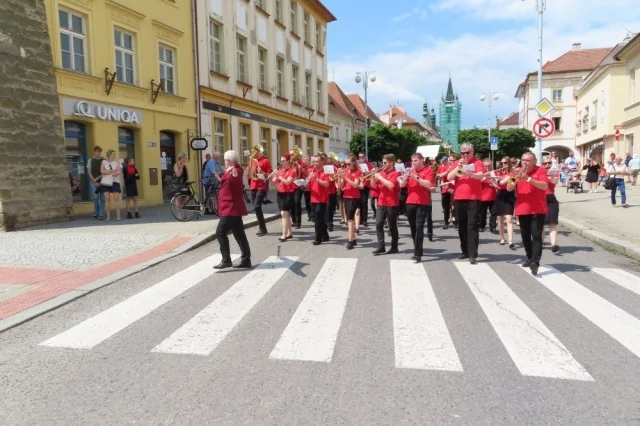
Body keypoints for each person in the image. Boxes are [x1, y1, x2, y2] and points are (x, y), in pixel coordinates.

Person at [507, 151, 549, 276]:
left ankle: (535, 262)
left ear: (534, 161)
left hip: (538, 209)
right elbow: (509, 188)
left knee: (536, 236)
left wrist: (529, 179)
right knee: (525, 236)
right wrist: (515, 179)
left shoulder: (540, 170)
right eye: (523, 160)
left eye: (528, 160)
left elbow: (544, 186)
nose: (525, 163)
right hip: (522, 208)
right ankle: (530, 258)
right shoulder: (516, 171)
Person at [446, 143, 486, 264]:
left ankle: (473, 253)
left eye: (467, 152)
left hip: (473, 198)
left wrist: (470, 174)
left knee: (472, 225)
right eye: (462, 153)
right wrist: (458, 167)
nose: (465, 155)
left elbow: (481, 175)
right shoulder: (457, 162)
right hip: (459, 198)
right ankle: (464, 251)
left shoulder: (478, 162)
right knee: (462, 226)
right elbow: (449, 177)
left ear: (472, 151)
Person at [214, 150, 251, 269]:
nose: (224, 162)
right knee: (239, 233)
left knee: (220, 232)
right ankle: (246, 259)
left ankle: (226, 260)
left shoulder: (236, 171)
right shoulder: (232, 170)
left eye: (225, 161)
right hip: (232, 208)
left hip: (230, 208)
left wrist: (233, 176)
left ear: (228, 161)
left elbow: (235, 180)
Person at [399, 153, 434, 263]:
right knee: (413, 227)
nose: (413, 163)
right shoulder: (410, 171)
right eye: (412, 161)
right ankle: (418, 248)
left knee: (419, 227)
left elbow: (428, 184)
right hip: (410, 202)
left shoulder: (428, 171)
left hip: (422, 203)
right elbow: (401, 185)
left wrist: (416, 177)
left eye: (415, 160)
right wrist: (405, 177)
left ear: (422, 160)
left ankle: (417, 253)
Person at [371, 153, 401, 255]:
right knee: (378, 224)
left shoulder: (396, 174)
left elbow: (391, 185)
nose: (382, 164)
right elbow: (374, 186)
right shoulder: (382, 173)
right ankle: (381, 246)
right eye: (382, 162)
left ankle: (394, 246)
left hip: (392, 203)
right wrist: (372, 176)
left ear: (391, 162)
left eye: (385, 162)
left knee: (392, 226)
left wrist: (379, 177)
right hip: (381, 202)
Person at [272, 153, 296, 242]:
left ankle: (284, 234)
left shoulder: (292, 171)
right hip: (280, 194)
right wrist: (274, 176)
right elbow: (273, 183)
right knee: (285, 214)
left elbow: (288, 182)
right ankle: (289, 233)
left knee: (283, 214)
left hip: (288, 194)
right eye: (281, 161)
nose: (281, 163)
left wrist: (279, 176)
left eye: (283, 161)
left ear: (288, 161)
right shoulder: (280, 171)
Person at [339, 154, 362, 250]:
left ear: (354, 163)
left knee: (350, 219)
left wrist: (345, 177)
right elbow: (341, 187)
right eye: (346, 164)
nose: (347, 166)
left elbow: (356, 185)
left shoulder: (358, 172)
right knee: (349, 219)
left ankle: (350, 241)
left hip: (354, 197)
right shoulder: (346, 172)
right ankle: (353, 238)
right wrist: (339, 178)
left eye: (349, 164)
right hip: (346, 196)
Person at [248, 148, 272, 236]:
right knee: (256, 208)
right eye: (253, 151)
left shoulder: (265, 161)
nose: (253, 153)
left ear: (259, 152)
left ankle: (262, 228)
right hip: (253, 185)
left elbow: (269, 175)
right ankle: (262, 228)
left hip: (261, 186)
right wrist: (249, 170)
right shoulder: (252, 161)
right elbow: (250, 175)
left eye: (255, 152)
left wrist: (262, 172)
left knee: (257, 206)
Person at [308, 155, 331, 245]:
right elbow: (310, 184)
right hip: (313, 198)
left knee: (318, 219)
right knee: (319, 219)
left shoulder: (326, 172)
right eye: (314, 161)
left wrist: (316, 179)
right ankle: (325, 235)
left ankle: (318, 238)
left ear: (322, 162)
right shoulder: (312, 171)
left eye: (317, 161)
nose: (315, 163)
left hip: (322, 199)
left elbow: (327, 184)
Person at [542, 156, 560, 253]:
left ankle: (554, 244)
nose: (547, 165)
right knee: (540, 223)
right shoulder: (539, 172)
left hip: (550, 198)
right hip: (540, 199)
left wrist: (546, 177)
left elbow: (555, 181)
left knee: (552, 222)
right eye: (545, 163)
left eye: (549, 163)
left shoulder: (554, 172)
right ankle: (542, 242)